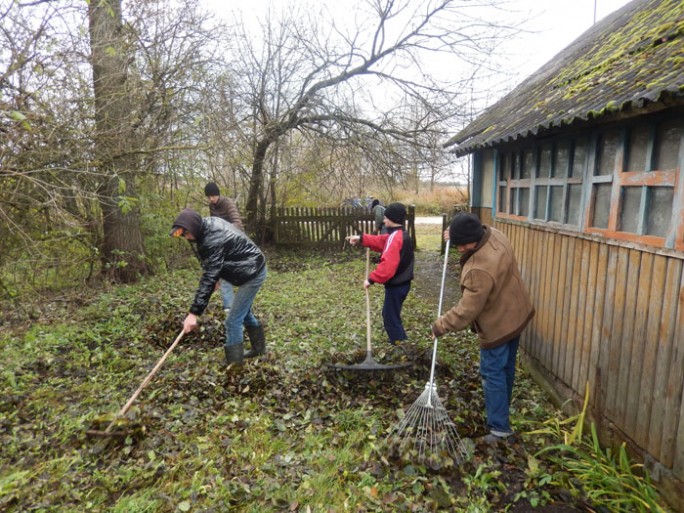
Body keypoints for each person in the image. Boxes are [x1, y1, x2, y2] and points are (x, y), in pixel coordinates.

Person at [431, 212, 534, 445]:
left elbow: (466, 311)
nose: (458, 248)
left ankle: (499, 429)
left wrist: (440, 326)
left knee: (492, 372)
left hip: (498, 324)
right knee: (506, 367)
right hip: (517, 313)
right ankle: (502, 409)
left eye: (460, 244)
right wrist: (455, 235)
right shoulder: (495, 235)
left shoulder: (479, 269)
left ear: (471, 242)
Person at [170, 208, 267, 365]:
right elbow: (210, 264)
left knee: (232, 321)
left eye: (186, 233)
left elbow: (209, 275)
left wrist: (193, 314)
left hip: (253, 272)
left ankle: (235, 369)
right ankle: (259, 349)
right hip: (245, 267)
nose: (186, 237)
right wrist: (216, 277)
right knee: (243, 312)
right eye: (183, 235)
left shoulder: (212, 238)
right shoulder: (205, 227)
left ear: (194, 228)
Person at [346, 202, 414, 347]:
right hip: (402, 283)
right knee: (392, 315)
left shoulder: (395, 238)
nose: (383, 220)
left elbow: (388, 265)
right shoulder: (399, 234)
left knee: (390, 317)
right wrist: (361, 239)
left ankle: (400, 347)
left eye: (386, 218)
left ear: (392, 219)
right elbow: (381, 241)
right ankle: (402, 344)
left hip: (397, 285)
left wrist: (371, 279)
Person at [204, 182, 244, 315]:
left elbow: (238, 224)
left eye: (213, 196)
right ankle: (228, 306)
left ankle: (241, 302)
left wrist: (224, 231)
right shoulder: (212, 206)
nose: (211, 199)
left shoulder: (228, 204)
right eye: (208, 197)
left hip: (235, 241)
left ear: (218, 194)